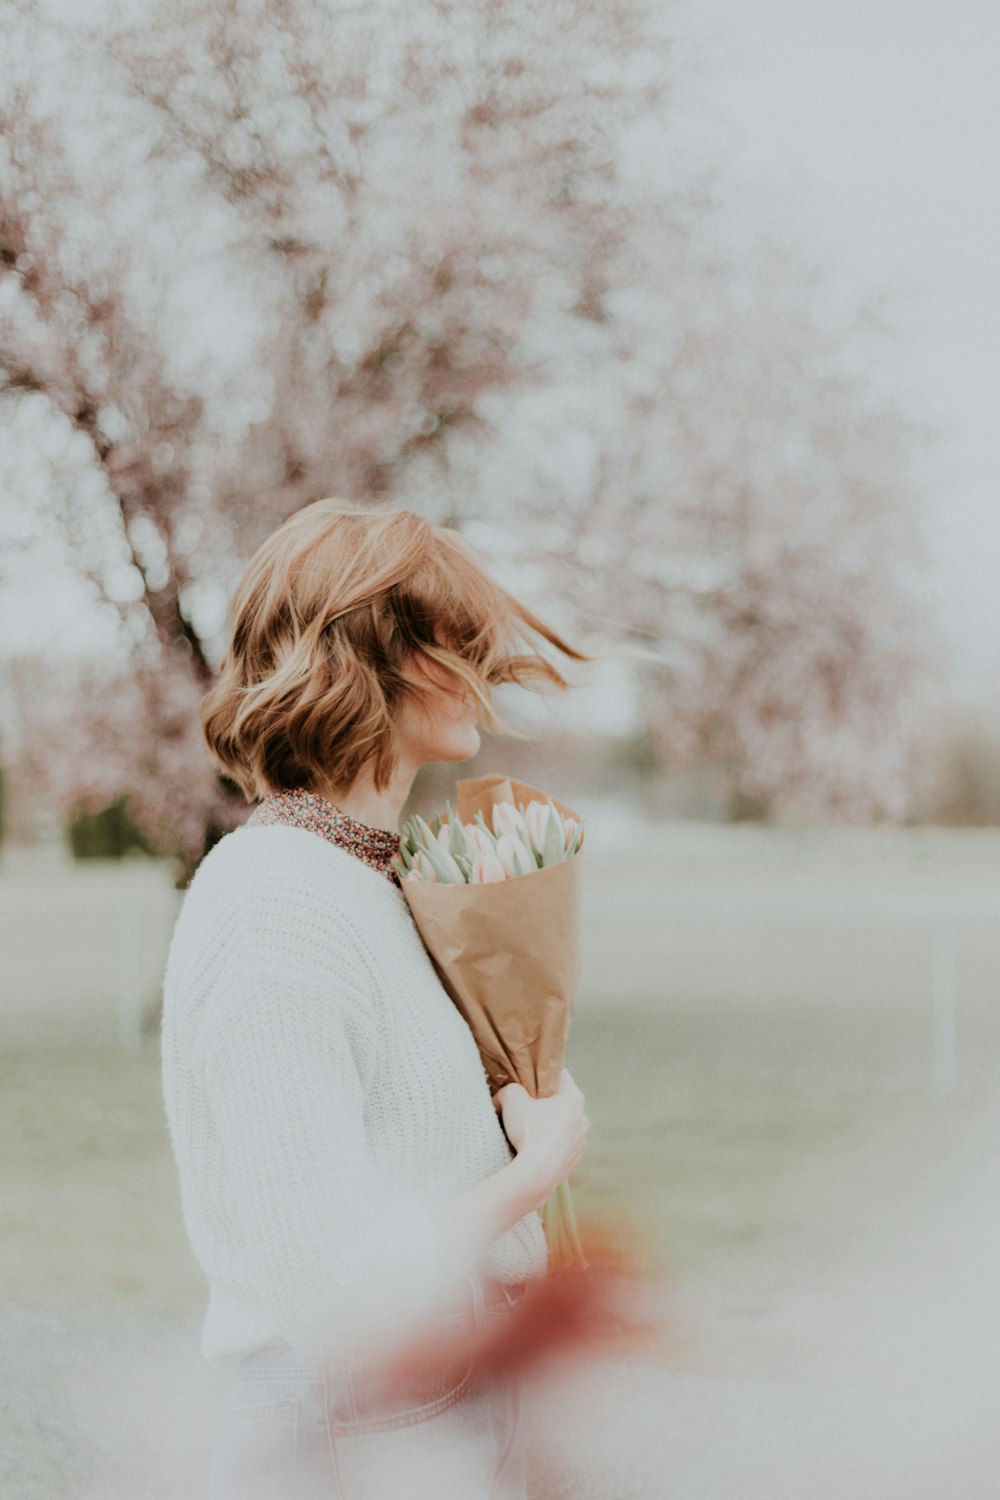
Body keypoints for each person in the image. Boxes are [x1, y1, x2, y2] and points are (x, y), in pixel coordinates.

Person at [160, 499, 591, 1500]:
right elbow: (330, 1284)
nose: (484, 661)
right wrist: (537, 1169)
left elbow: (403, 1143)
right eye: (455, 637)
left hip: (433, 1410)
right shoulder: (276, 905)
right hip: (353, 1432)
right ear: (366, 659)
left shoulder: (370, 880)